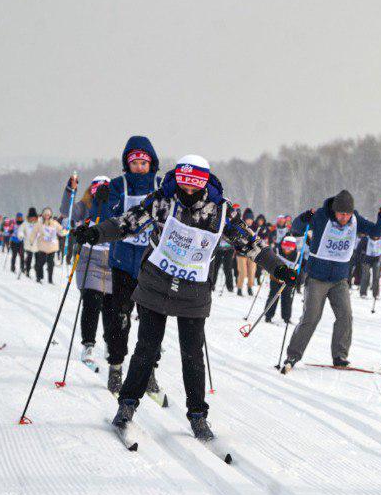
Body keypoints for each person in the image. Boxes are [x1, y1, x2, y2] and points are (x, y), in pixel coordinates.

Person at [73, 155, 294, 439]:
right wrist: (95, 233)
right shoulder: (163, 200)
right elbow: (127, 223)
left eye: (194, 188)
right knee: (146, 348)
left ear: (203, 184)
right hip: (155, 282)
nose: (188, 193)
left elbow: (250, 243)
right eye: (183, 186)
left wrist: (279, 268)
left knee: (192, 354)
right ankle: (127, 404)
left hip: (194, 289)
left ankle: (198, 415)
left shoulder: (220, 210)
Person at [282, 190, 381, 370]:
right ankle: (292, 356)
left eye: (347, 214)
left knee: (345, 317)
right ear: (335, 210)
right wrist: (303, 217)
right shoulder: (321, 216)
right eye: (341, 214)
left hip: (340, 279)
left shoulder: (355, 219)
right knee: (311, 317)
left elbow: (376, 231)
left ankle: (340, 356)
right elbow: (296, 229)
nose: (344, 218)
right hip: (317, 278)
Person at [100, 136, 163, 393]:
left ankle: (148, 370)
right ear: (127, 163)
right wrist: (105, 201)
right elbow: (110, 217)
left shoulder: (162, 185)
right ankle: (116, 366)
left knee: (152, 319)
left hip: (153, 263)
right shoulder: (119, 185)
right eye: (134, 162)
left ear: (151, 163)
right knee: (120, 316)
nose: (139, 167)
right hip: (123, 261)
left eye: (143, 162)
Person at [61, 174, 114, 368]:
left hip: (112, 261)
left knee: (111, 308)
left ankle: (112, 344)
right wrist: (70, 190)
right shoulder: (84, 206)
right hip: (89, 258)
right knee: (92, 302)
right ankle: (88, 345)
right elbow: (66, 211)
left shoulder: (115, 206)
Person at [264, 236, 299, 323]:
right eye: (285, 247)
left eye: (289, 248)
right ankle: (268, 316)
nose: (287, 250)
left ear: (293, 248)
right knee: (273, 295)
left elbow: (301, 269)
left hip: (288, 280)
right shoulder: (277, 251)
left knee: (287, 298)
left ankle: (286, 318)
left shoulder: (297, 255)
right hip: (275, 277)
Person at [26, 207, 66, 283]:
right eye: (45, 214)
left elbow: (60, 231)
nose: (47, 216)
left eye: (48, 214)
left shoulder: (54, 223)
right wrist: (31, 241)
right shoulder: (39, 223)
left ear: (50, 215)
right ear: (43, 215)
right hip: (42, 246)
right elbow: (34, 232)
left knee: (51, 264)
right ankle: (39, 277)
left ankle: (50, 279)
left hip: (52, 247)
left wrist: (66, 231)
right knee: (40, 263)